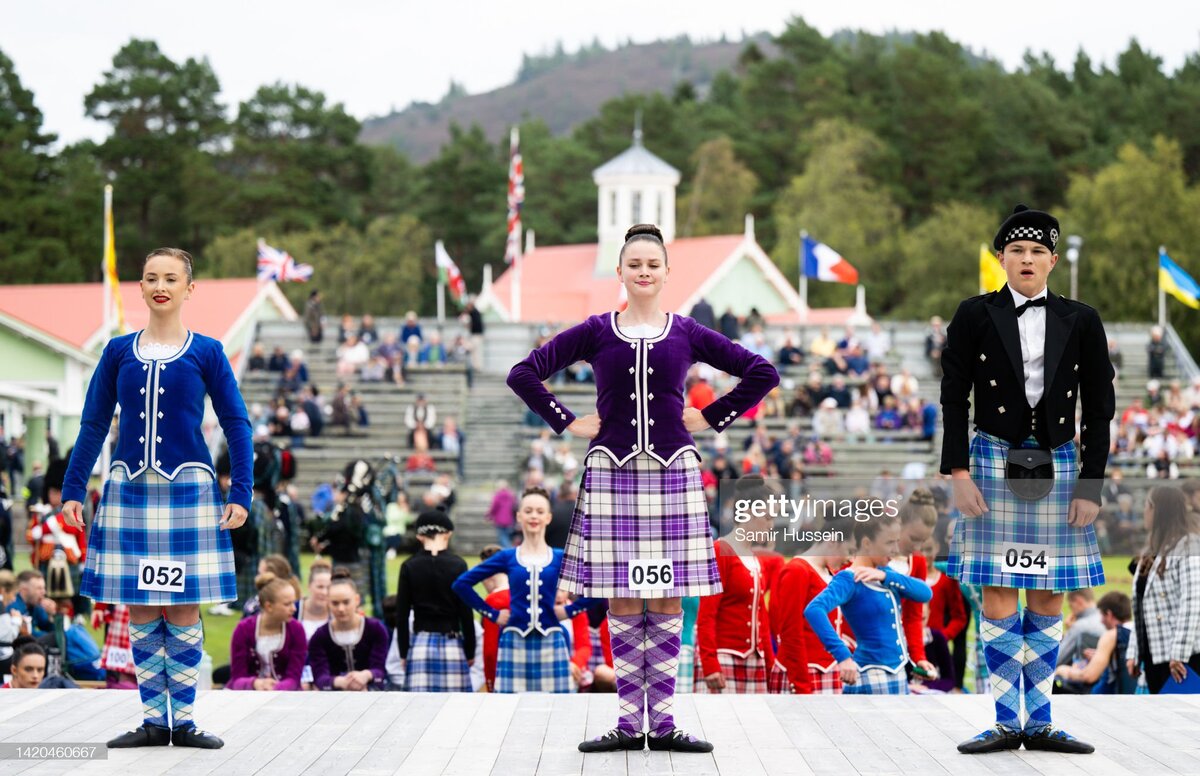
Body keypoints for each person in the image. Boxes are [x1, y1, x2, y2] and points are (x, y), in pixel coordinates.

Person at [507, 224, 778, 754]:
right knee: (626, 597)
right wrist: (566, 420)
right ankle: (631, 723)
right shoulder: (596, 330)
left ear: (666, 272)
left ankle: (667, 722)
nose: (645, 272)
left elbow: (760, 372)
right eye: (635, 264)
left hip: (673, 474)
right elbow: (524, 373)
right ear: (621, 272)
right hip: (612, 473)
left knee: (667, 594)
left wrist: (712, 415)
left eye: (653, 264)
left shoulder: (687, 332)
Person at [58, 248, 250, 748]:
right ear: (140, 288)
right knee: (140, 605)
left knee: (184, 607)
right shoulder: (118, 351)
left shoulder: (207, 352)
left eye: (170, 277)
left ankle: (183, 721)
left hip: (189, 492)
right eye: (150, 278)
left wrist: (243, 491)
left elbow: (236, 423)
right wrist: (75, 486)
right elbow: (94, 423)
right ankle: (152, 720)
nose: (159, 285)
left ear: (190, 288)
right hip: (128, 491)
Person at [941, 205, 1114, 755]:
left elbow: (1101, 406)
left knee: (1046, 590)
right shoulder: (973, 313)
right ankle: (1003, 721)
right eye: (1017, 250)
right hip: (992, 456)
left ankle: (1038, 721)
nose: (1027, 259)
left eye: (1038, 252)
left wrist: (1092, 482)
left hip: (1061, 462)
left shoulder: (1081, 319)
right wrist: (958, 471)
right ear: (1001, 258)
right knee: (997, 588)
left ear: (1053, 261)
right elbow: (953, 396)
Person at [452, 487, 597, 694]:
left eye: (539, 511)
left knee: (558, 710)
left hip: (552, 643)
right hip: (514, 643)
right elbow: (461, 584)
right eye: (528, 511)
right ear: (519, 516)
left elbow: (599, 586)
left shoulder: (560, 557)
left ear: (548, 517)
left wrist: (570, 611)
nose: (534, 516)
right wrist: (492, 614)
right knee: (509, 712)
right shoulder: (507, 557)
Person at [805, 510, 932, 695]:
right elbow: (814, 610)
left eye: (897, 541)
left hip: (898, 674)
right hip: (870, 676)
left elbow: (925, 593)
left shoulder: (886, 574)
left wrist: (885, 576)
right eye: (889, 542)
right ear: (866, 543)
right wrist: (842, 655)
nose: (896, 550)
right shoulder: (849, 578)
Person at [1127, 486, 1200, 694]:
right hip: (1154, 654)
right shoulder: (1150, 551)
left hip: (1182, 658)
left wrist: (1179, 653)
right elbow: (1139, 605)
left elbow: (1192, 602)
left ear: (1158, 510)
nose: (1144, 511)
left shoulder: (1190, 546)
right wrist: (1135, 651)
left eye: (1147, 505)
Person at [395, 510, 475, 692]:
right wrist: (470, 650)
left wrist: (403, 651)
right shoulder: (458, 565)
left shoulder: (409, 566)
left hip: (420, 644)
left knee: (419, 710)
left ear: (419, 536)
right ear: (448, 534)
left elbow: (402, 615)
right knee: (457, 710)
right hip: (452, 642)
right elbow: (466, 612)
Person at [769, 529, 852, 694]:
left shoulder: (831, 573)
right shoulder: (797, 570)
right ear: (833, 541)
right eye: (849, 551)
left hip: (830, 670)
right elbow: (790, 632)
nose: (849, 559)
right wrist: (800, 684)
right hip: (803, 672)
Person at [307, 569, 389, 691]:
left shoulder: (375, 629)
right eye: (335, 603)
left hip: (371, 694)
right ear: (328, 603)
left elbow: (380, 671)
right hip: (333, 698)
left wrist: (366, 675)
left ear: (357, 600)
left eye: (346, 602)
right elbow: (320, 678)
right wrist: (339, 681)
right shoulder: (320, 636)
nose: (341, 608)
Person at [226, 573, 306, 691]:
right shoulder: (243, 629)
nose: (294, 608)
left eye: (294, 603)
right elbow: (238, 678)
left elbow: (294, 678)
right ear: (269, 606)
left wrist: (275, 688)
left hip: (286, 693)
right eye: (287, 604)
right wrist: (255, 683)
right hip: (248, 693)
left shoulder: (296, 630)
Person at [1055, 591, 1137, 694]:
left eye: (1102, 616)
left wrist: (1064, 671)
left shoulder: (1111, 635)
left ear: (1109, 614)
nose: (1101, 621)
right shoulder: (1137, 631)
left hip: (1107, 698)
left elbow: (1088, 676)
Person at [1057, 589, 1106, 669]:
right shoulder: (1104, 618)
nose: (1071, 611)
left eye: (1071, 606)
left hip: (1083, 673)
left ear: (1078, 601)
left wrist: (1070, 631)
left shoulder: (1080, 626)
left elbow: (1058, 659)